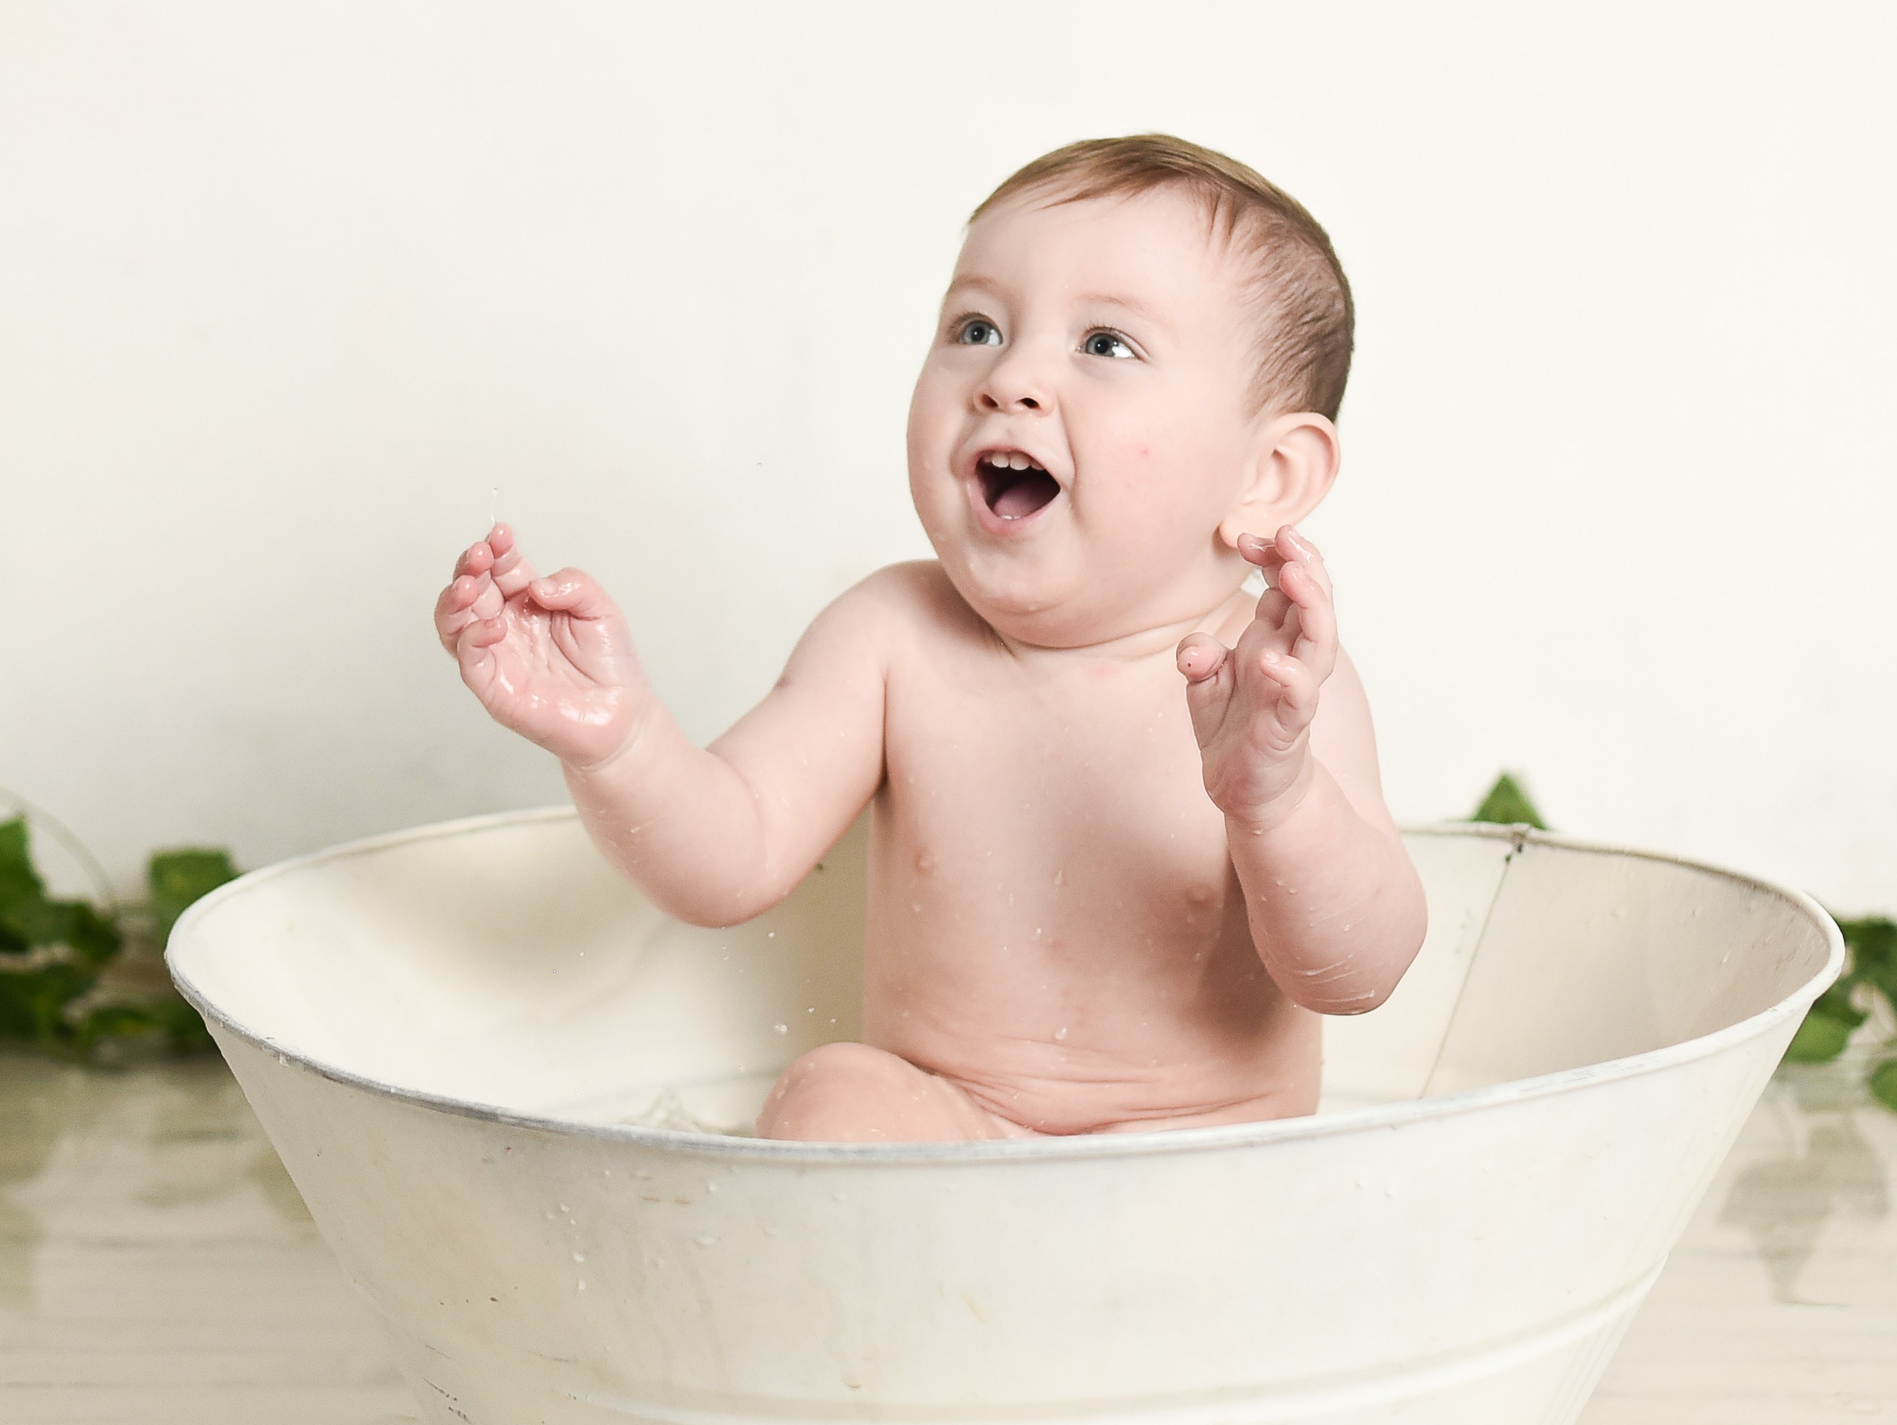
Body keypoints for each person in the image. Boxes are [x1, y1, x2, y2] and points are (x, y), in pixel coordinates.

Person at [433, 135, 1426, 1141]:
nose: (1010, 377)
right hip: (949, 1139)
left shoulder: (1273, 692)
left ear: (1267, 476)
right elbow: (729, 858)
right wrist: (620, 741)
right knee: (834, 1094)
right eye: (978, 327)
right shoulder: (891, 638)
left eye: (1104, 345)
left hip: (1203, 1152)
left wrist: (1279, 802)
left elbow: (1357, 974)